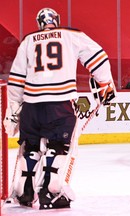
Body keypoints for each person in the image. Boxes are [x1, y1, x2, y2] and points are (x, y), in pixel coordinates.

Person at [3, 8, 115, 209]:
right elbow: (99, 58)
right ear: (57, 20)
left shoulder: (29, 40)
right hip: (60, 103)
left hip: (31, 104)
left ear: (39, 22)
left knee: (30, 147)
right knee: (57, 147)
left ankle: (24, 193)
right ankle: (50, 193)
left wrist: (13, 108)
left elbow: (17, 79)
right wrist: (105, 83)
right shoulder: (73, 35)